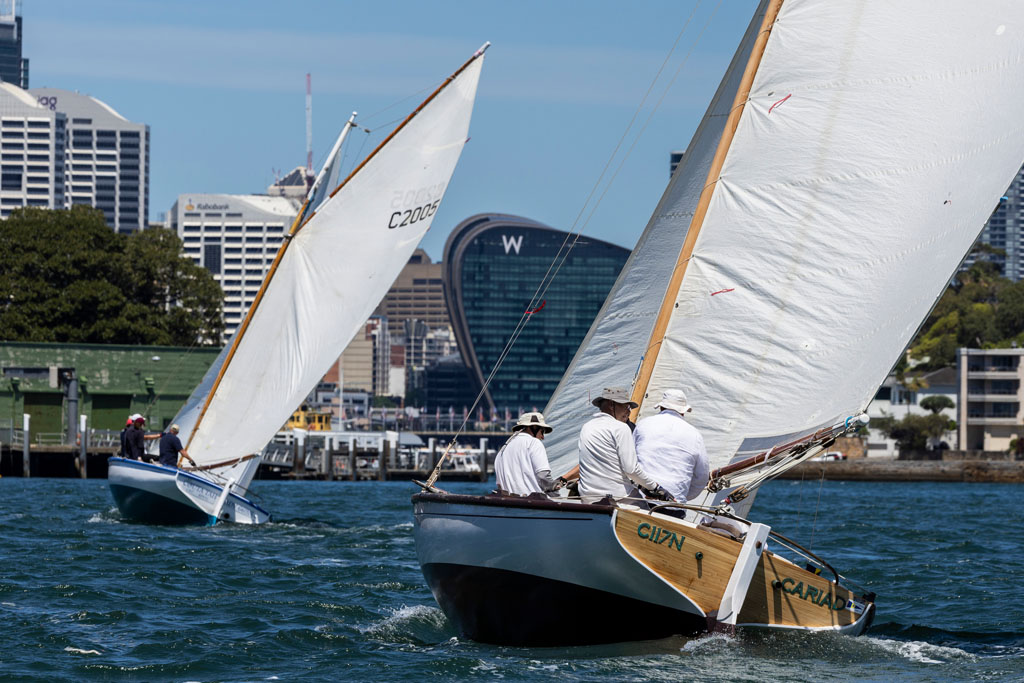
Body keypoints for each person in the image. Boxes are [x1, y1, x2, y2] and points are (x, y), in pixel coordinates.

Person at [577, 386, 672, 504]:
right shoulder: (621, 428)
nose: (629, 412)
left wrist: (642, 486)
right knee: (650, 512)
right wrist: (655, 488)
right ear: (611, 405)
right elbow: (631, 469)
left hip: (588, 498)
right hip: (617, 497)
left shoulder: (587, 427)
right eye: (626, 407)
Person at [634, 389, 710, 504]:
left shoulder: (643, 424)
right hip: (673, 505)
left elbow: (629, 462)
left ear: (661, 407)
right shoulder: (695, 434)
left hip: (638, 499)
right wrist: (680, 496)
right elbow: (702, 477)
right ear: (683, 411)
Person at [494, 412, 568, 495]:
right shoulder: (534, 443)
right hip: (532, 501)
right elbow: (543, 477)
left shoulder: (502, 450)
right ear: (533, 427)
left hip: (509, 501)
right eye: (542, 431)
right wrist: (555, 485)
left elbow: (499, 485)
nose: (543, 437)